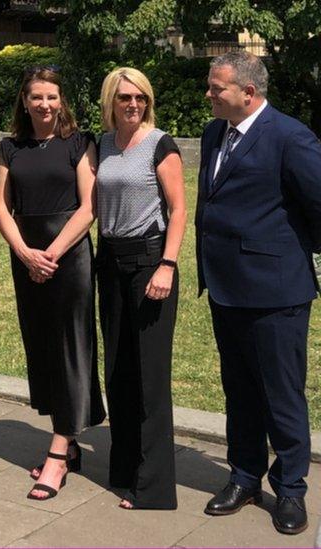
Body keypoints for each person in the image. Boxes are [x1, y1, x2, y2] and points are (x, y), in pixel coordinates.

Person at [197, 51, 321, 535]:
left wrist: (282, 254)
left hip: (276, 293)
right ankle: (245, 476)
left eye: (216, 88)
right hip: (226, 288)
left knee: (282, 394)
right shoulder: (214, 133)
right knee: (240, 391)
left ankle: (291, 489)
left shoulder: (290, 136)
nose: (208, 94)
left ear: (248, 92)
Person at [0, 66, 104, 501]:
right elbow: (2, 207)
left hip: (68, 256)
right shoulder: (9, 148)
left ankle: (58, 452)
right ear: (24, 100)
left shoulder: (79, 143)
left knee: (71, 347)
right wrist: (24, 253)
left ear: (62, 101)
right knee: (41, 348)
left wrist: (51, 253)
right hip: (27, 256)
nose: (44, 105)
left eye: (52, 97)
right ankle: (70, 441)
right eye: (36, 97)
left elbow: (88, 206)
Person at [96, 67, 186, 510]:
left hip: (150, 262)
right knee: (118, 370)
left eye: (141, 98)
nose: (133, 105)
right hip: (110, 262)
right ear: (111, 101)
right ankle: (125, 468)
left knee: (150, 377)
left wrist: (167, 265)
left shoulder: (160, 144)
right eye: (125, 97)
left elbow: (179, 208)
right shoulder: (103, 144)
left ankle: (153, 488)